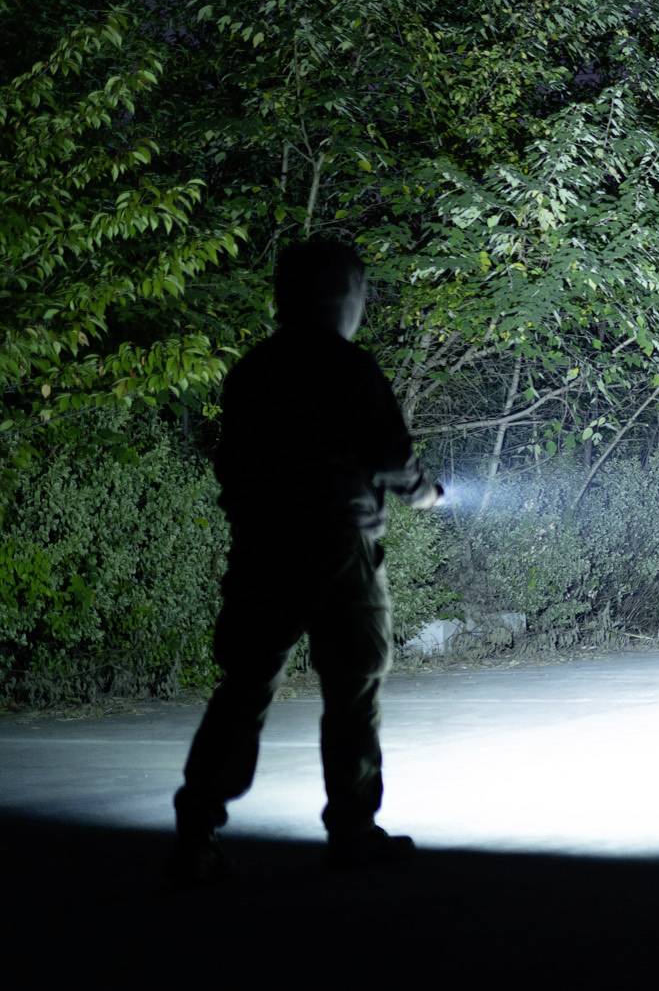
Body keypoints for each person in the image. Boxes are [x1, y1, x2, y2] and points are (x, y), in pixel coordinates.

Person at [167, 239, 443, 885]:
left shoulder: (254, 370)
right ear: (343, 294)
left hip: (263, 546)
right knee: (353, 689)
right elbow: (392, 457)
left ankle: (196, 829)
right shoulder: (349, 366)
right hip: (340, 547)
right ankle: (352, 829)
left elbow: (232, 463)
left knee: (244, 687)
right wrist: (424, 491)